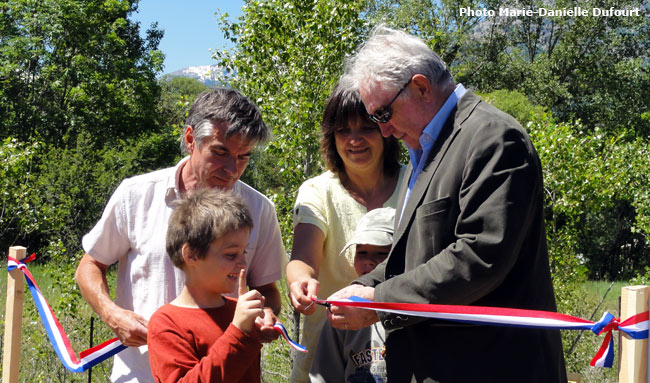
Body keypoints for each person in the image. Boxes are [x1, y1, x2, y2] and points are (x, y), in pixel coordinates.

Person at [326, 26, 567, 382]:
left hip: (492, 368)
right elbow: (414, 257)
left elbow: (479, 257)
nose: (384, 131)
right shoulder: (424, 148)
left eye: (382, 115)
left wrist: (379, 301)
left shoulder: (494, 138)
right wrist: (364, 288)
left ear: (421, 87)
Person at [75, 88, 285, 383]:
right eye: (220, 152)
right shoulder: (136, 195)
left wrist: (265, 315)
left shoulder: (259, 209)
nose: (232, 170)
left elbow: (268, 290)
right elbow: (89, 266)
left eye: (243, 157)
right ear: (190, 139)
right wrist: (112, 315)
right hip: (139, 375)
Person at [285, 82, 406, 382]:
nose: (354, 140)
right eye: (343, 130)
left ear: (386, 130)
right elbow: (303, 258)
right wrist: (301, 282)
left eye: (365, 127)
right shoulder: (317, 191)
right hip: (326, 363)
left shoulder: (416, 182)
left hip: (404, 354)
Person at [148, 188, 263, 383]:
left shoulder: (237, 310)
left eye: (244, 252)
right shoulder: (166, 323)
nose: (243, 263)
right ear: (191, 255)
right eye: (231, 255)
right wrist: (239, 331)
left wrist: (263, 328)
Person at [309, 207, 395, 383]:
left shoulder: (419, 310)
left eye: (382, 254)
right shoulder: (342, 314)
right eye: (361, 252)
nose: (368, 261)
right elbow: (325, 376)